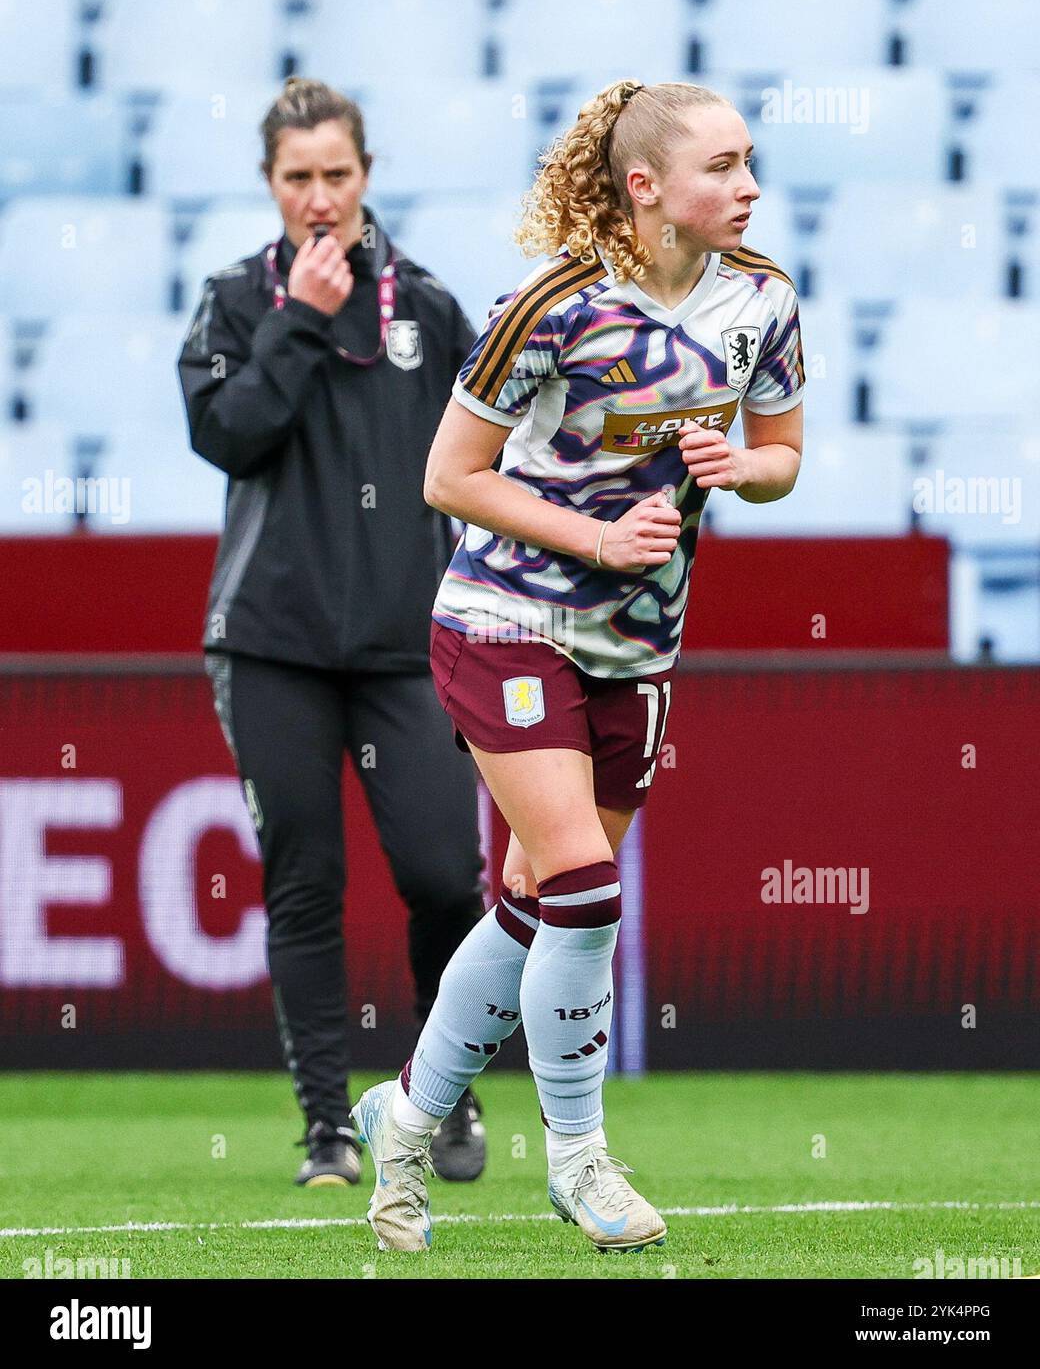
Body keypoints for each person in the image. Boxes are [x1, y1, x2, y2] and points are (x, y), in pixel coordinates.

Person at [350, 78, 805, 1252]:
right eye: (719, 166)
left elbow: (784, 454)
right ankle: (577, 1156)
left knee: (534, 903)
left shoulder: (762, 301)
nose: (747, 185)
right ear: (646, 187)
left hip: (638, 643)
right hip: (505, 617)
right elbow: (449, 478)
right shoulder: (549, 306)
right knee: (586, 884)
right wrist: (596, 535)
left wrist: (737, 469)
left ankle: (403, 1116)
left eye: (748, 160)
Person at [177, 77, 489, 1187]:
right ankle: (326, 1129)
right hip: (272, 643)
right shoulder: (230, 301)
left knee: (447, 876)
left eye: (336, 175)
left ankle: (438, 1094)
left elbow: (487, 461)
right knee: (304, 879)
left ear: (367, 175)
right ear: (269, 183)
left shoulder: (433, 308)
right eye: (297, 178)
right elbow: (228, 437)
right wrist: (299, 322)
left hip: (409, 643)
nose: (319, 198)